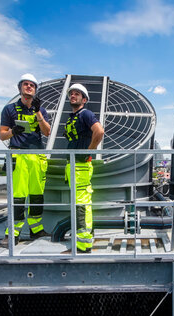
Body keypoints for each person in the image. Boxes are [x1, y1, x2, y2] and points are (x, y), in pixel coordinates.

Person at [0, 73, 51, 247]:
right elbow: (1, 135)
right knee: (18, 196)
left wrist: (37, 113)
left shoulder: (41, 110)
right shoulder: (9, 109)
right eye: (26, 84)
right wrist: (14, 132)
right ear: (20, 87)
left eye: (32, 85)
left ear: (35, 90)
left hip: (37, 156)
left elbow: (47, 132)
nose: (29, 87)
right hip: (18, 156)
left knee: (37, 195)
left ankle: (36, 229)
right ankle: (13, 233)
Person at [63, 83, 104, 253]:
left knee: (82, 203)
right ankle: (85, 236)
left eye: (77, 94)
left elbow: (99, 131)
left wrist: (90, 150)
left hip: (81, 165)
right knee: (80, 202)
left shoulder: (85, 114)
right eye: (71, 93)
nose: (73, 95)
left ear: (84, 99)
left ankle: (84, 243)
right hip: (73, 165)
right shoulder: (72, 117)